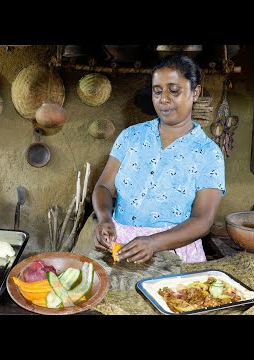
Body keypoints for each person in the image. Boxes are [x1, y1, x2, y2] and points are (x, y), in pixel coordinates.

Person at [92, 54, 226, 264]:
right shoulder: (130, 136)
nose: (163, 98)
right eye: (157, 91)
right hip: (120, 248)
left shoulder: (208, 153)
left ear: (196, 92)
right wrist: (104, 219)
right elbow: (104, 187)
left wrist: (154, 243)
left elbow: (203, 220)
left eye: (174, 90)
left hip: (172, 252)